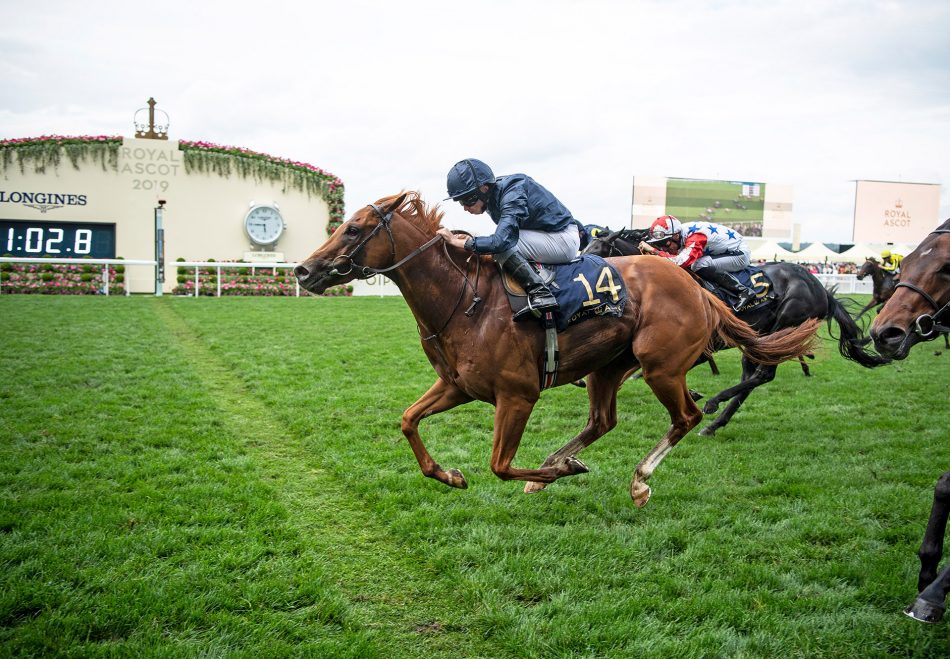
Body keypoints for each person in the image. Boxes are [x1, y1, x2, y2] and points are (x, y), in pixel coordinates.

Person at [438, 158, 581, 318]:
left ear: (484, 188)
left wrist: (458, 242)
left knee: (503, 246)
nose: (465, 208)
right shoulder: (493, 195)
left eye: (467, 200)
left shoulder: (513, 191)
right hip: (545, 236)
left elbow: (501, 242)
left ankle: (541, 294)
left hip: (563, 238)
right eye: (460, 202)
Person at [638, 215, 757, 312]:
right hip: (724, 251)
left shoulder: (696, 236)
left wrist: (654, 251)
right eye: (660, 245)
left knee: (698, 265)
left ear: (676, 236)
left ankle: (743, 291)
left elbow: (680, 262)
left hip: (740, 254)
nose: (664, 248)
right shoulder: (679, 233)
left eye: (665, 244)